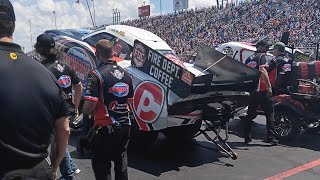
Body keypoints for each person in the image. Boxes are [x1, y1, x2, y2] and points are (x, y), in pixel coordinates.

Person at [0, 0, 70, 179]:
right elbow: (64, 129)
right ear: (13, 26)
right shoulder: (45, 74)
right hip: (39, 171)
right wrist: (54, 166)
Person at [83, 39, 134, 180]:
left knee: (102, 166)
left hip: (105, 128)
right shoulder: (127, 75)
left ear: (97, 54)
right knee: (121, 164)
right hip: (125, 126)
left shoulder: (96, 75)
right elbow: (129, 102)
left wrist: (84, 114)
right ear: (112, 52)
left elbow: (89, 105)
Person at [34, 33, 82, 180]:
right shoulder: (66, 66)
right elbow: (78, 86)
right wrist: (76, 105)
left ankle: (68, 174)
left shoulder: (41, 69)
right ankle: (72, 168)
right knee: (62, 140)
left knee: (58, 143)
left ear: (39, 50)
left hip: (54, 113)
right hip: (68, 109)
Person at [243, 40, 279, 146]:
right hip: (262, 90)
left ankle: (247, 137)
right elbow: (263, 71)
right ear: (260, 47)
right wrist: (269, 87)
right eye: (266, 46)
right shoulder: (264, 57)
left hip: (252, 90)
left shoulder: (249, 58)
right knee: (270, 114)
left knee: (250, 114)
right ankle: (271, 138)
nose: (268, 48)